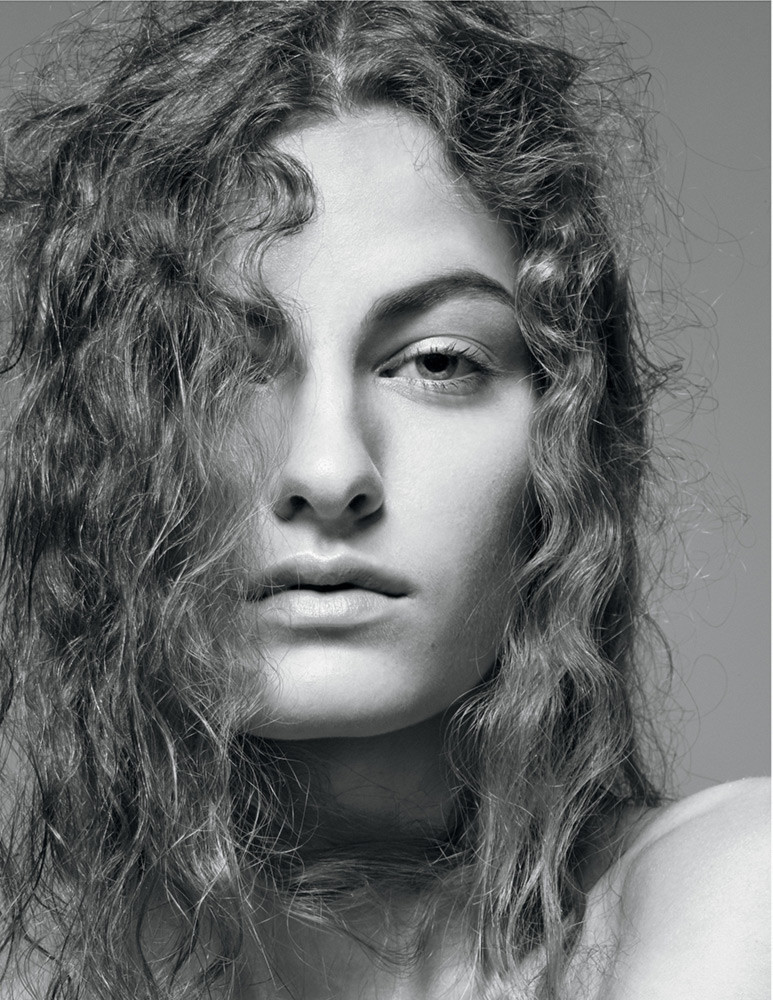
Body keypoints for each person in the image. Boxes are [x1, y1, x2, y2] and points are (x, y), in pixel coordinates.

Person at [0, 2, 767, 999]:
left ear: (568, 439)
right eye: (215, 366)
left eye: (437, 362)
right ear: (100, 442)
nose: (327, 473)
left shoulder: (729, 896)